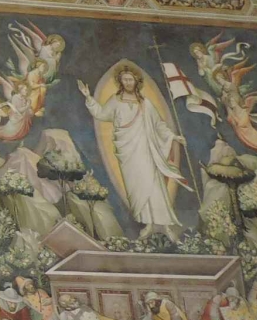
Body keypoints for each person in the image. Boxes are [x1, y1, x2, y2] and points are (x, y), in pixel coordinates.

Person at [78, 66, 186, 239]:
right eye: (125, 79)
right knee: (136, 186)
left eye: (130, 79)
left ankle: (164, 225)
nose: (128, 82)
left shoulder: (145, 103)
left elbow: (159, 124)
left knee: (154, 185)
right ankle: (148, 223)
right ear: (120, 82)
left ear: (136, 81)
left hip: (145, 148)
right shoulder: (115, 101)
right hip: (127, 151)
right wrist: (88, 97)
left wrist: (173, 136)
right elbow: (101, 114)